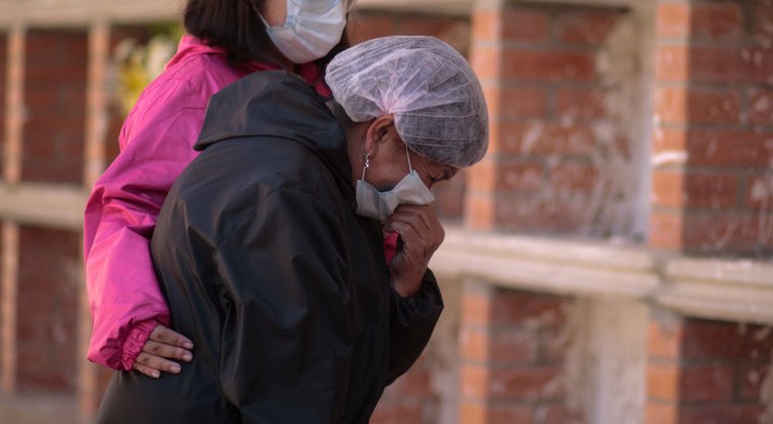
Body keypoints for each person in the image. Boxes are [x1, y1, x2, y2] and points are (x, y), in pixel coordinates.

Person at [95, 36, 489, 423]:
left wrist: (405, 287)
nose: (423, 197)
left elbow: (342, 364)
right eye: (431, 177)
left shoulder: (333, 185)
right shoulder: (284, 195)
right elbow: (295, 394)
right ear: (381, 132)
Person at [83, 0, 367, 377]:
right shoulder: (193, 89)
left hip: (297, 362)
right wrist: (133, 323)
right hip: (212, 363)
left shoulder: (329, 87)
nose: (334, 4)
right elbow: (126, 209)